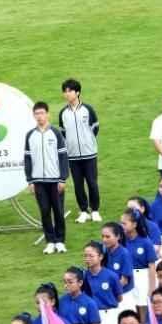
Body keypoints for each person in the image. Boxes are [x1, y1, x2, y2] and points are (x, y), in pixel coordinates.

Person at [23, 101, 70, 254]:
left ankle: (60, 240)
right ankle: (50, 241)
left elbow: (63, 157)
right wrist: (30, 180)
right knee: (44, 211)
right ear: (33, 115)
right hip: (38, 181)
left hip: (55, 180)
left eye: (42, 113)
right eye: (37, 114)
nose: (40, 116)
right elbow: (28, 159)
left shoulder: (56, 133)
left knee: (58, 210)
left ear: (47, 114)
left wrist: (63, 179)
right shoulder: (30, 135)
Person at [58, 79, 101, 224]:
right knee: (78, 184)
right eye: (65, 91)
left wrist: (87, 141)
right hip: (73, 155)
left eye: (69, 91)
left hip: (89, 153)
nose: (67, 94)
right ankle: (83, 211)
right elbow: (63, 132)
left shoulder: (88, 109)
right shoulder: (63, 113)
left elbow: (95, 127)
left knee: (92, 182)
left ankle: (95, 210)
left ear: (77, 92)